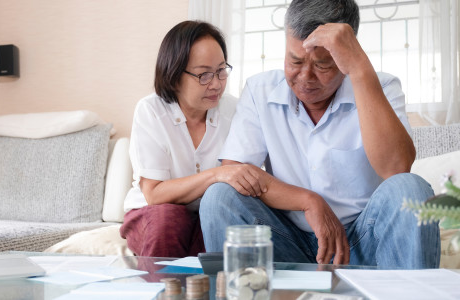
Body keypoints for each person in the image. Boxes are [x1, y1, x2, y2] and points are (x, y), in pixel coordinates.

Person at [199, 0, 440, 269]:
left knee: (411, 189)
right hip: (286, 241)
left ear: (346, 56)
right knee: (220, 197)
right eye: (295, 60)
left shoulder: (381, 86)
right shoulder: (260, 90)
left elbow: (397, 168)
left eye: (323, 65)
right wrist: (308, 202)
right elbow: (237, 172)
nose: (305, 77)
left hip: (362, 242)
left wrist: (360, 70)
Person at [120, 21, 265, 258]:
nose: (216, 84)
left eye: (221, 71)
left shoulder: (235, 110)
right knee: (169, 220)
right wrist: (217, 174)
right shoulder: (151, 110)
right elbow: (154, 194)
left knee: (218, 227)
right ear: (174, 75)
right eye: (204, 75)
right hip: (153, 213)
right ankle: (159, 294)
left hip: (206, 211)